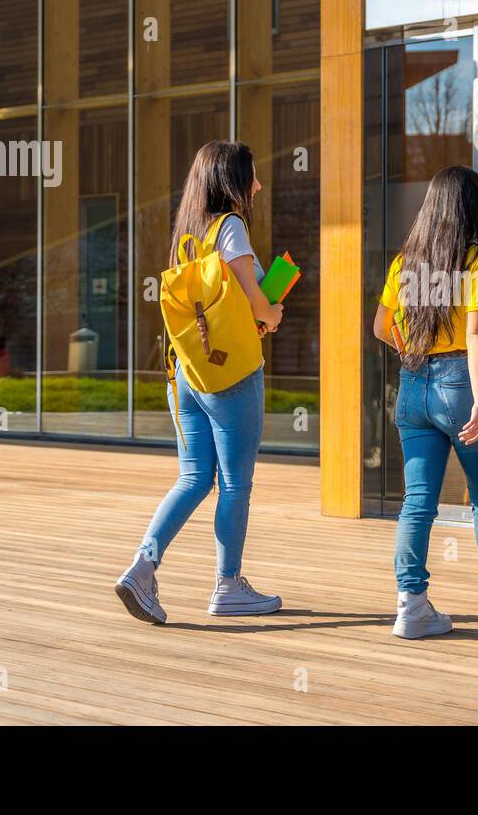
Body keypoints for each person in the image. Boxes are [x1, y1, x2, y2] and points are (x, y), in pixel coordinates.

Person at [115, 140, 284, 624]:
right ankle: (228, 586)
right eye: (251, 175)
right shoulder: (231, 227)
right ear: (230, 180)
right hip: (230, 374)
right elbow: (254, 300)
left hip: (185, 375)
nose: (257, 184)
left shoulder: (186, 235)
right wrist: (271, 316)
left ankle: (142, 568)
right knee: (235, 484)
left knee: (192, 477)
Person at [373, 165, 478, 639]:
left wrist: (411, 351)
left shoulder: (404, 262)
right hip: (459, 383)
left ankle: (411, 605)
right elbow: (476, 335)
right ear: (472, 207)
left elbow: (380, 326)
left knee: (417, 500)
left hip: (412, 385)